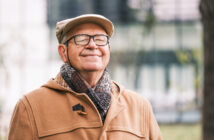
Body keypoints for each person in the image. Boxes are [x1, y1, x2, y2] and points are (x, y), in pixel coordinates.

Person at [8, 14, 162, 140]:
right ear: (63, 52)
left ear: (108, 49)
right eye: (81, 39)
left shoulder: (139, 106)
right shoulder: (30, 107)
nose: (93, 45)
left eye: (100, 39)